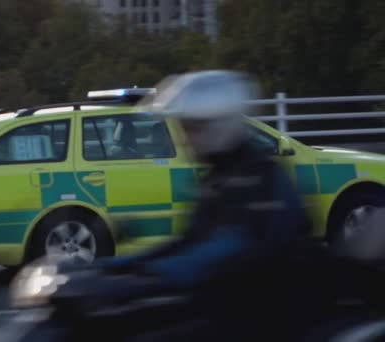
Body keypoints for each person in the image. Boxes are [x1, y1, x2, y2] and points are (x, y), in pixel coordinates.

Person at [98, 70, 314, 340]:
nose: (185, 137)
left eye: (193, 128)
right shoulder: (217, 177)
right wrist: (114, 267)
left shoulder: (260, 177)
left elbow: (230, 246)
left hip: (266, 314)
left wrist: (152, 275)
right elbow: (188, 240)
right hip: (224, 302)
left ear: (220, 125)